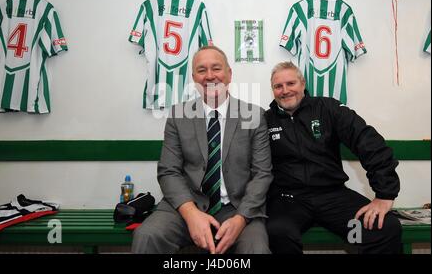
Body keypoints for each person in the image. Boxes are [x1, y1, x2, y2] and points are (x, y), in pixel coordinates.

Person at [131, 46, 273, 254]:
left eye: (216, 68)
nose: (209, 76)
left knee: (256, 249)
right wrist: (190, 213)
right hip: (185, 206)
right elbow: (168, 171)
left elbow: (262, 174)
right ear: (194, 78)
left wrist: (241, 219)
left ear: (229, 73)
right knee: (147, 236)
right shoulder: (179, 116)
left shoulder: (254, 115)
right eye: (201, 70)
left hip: (238, 208)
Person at [265, 61, 402, 254]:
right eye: (278, 86)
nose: (285, 90)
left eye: (291, 83)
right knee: (278, 232)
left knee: (384, 229)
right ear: (273, 90)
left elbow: (366, 141)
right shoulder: (265, 121)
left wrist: (385, 193)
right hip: (288, 201)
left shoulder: (328, 108)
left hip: (333, 198)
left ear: (303, 84)